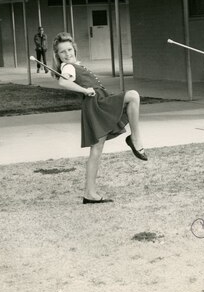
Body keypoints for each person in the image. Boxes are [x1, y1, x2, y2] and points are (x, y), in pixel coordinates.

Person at [51, 32, 148, 204]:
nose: (67, 54)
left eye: (69, 49)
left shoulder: (76, 64)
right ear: (57, 56)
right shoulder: (68, 67)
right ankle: (135, 139)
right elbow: (63, 82)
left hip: (98, 103)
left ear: (74, 48)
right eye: (62, 52)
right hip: (96, 104)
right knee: (133, 96)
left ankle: (89, 193)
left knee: (96, 150)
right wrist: (83, 90)